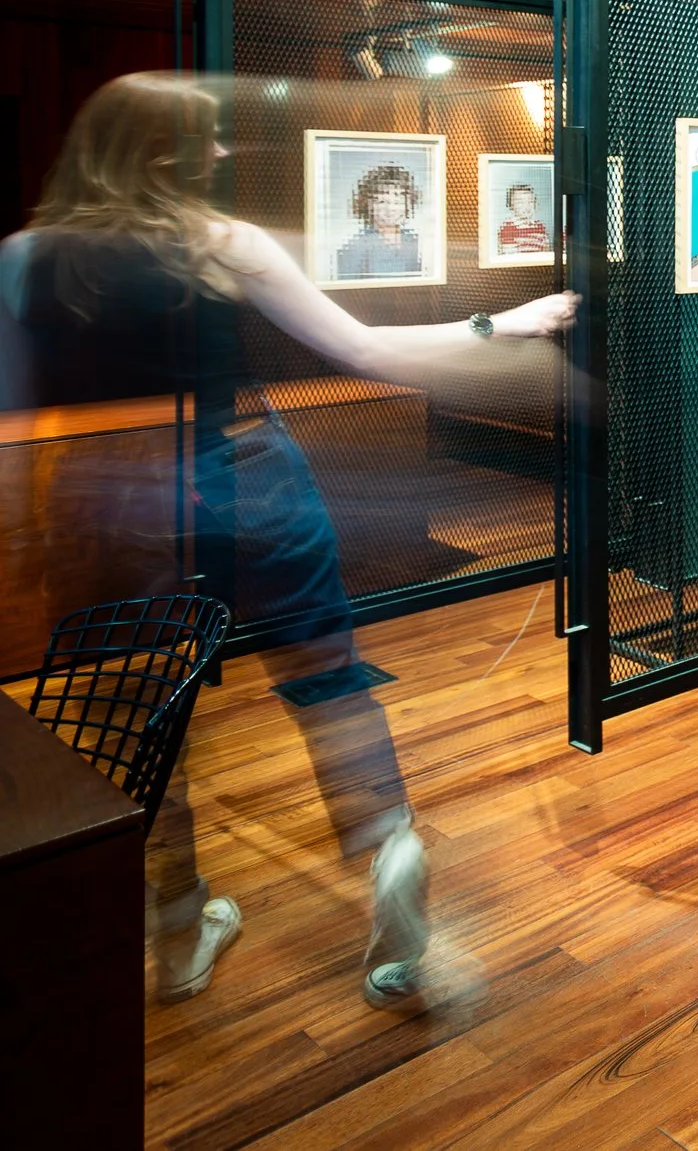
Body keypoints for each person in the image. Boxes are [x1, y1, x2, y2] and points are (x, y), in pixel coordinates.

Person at [0, 73, 575, 1010]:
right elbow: (369, 351)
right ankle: (389, 844)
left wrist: (29, 531)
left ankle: (178, 929)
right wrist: (500, 323)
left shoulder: (23, 258)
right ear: (161, 152)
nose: (224, 153)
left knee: (140, 714)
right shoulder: (223, 243)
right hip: (250, 471)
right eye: (208, 139)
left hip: (109, 497)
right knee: (327, 677)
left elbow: (12, 418)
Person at [334, 160, 424, 280]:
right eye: (382, 202)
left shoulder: (415, 242)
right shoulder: (354, 248)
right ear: (367, 205)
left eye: (397, 202)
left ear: (409, 203)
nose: (390, 209)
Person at [497, 181, 549, 257]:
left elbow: (546, 252)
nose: (527, 206)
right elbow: (510, 257)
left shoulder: (540, 226)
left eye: (530, 201)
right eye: (520, 202)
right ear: (511, 206)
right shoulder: (508, 228)